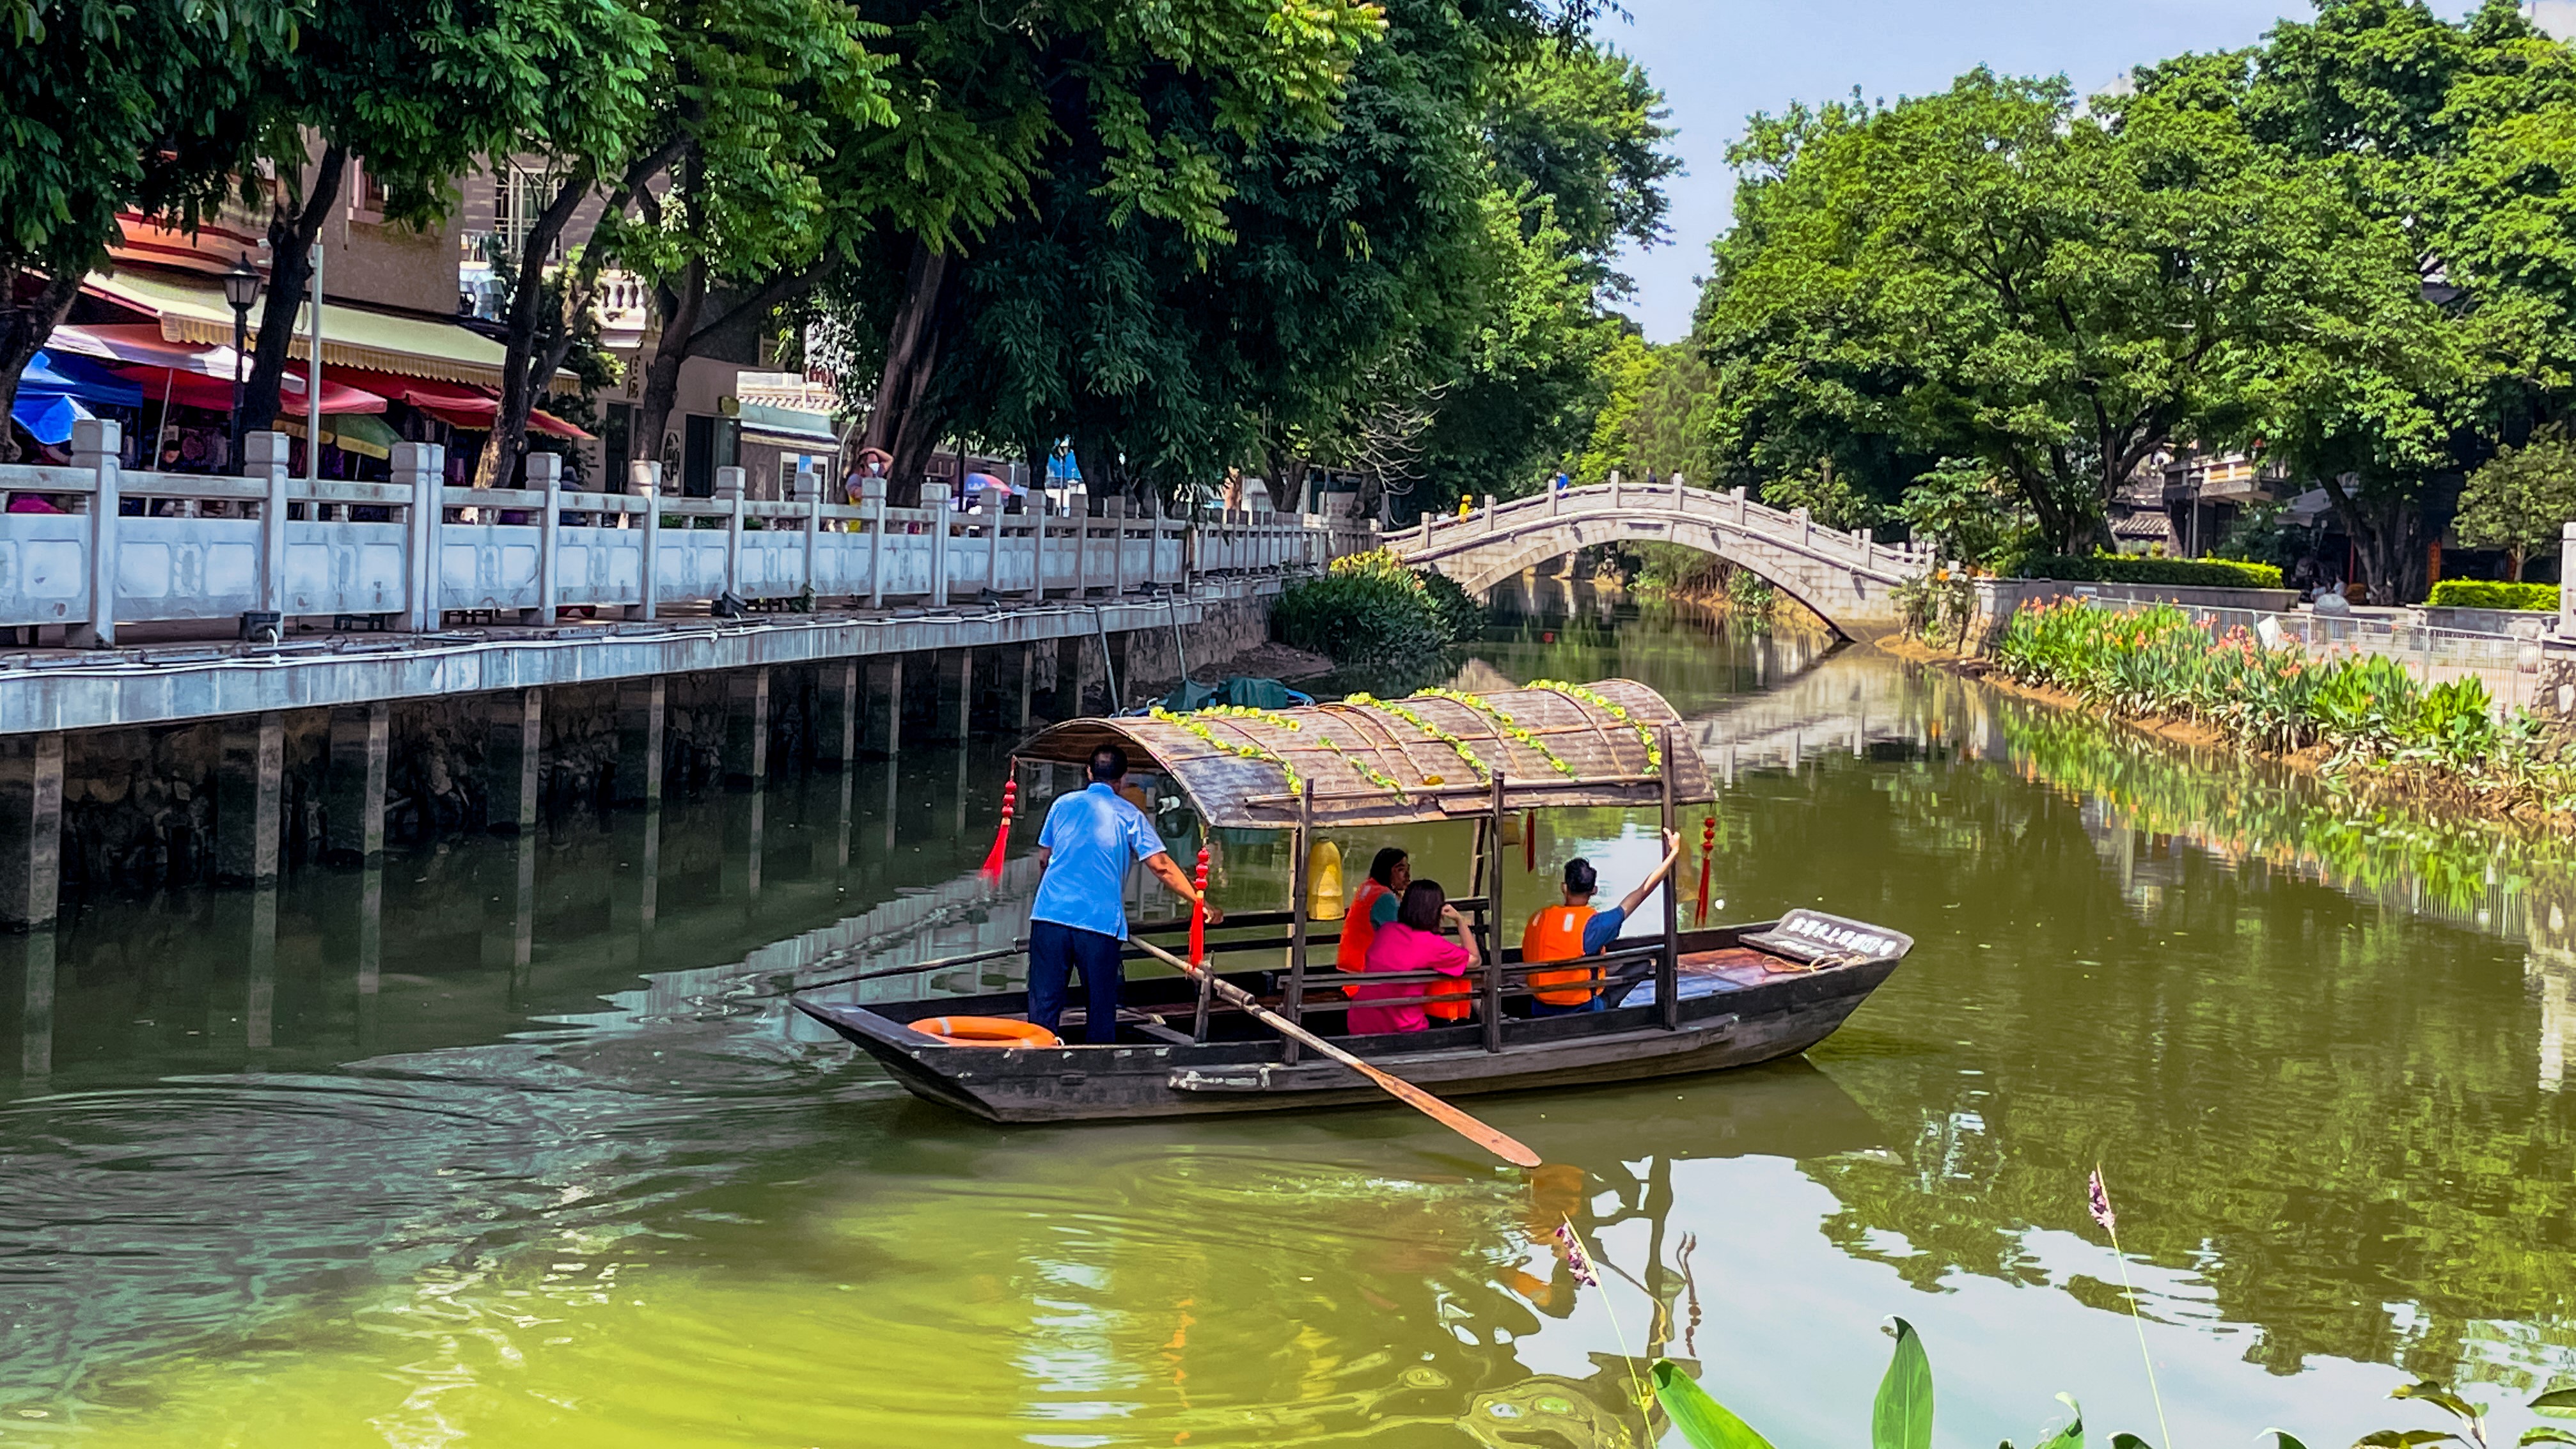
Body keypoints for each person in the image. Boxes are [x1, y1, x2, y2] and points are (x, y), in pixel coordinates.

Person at [1028, 744, 1223, 1044]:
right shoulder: (1129, 814)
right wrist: (1201, 902)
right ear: (1123, 778)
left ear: (1089, 772)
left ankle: (1035, 1058)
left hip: (1050, 915)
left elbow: (1045, 858)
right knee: (1101, 1008)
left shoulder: (1062, 804)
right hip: (1097, 922)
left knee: (1043, 1004)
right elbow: (1161, 866)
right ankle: (1099, 1061)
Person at [1521, 831, 1683, 1015]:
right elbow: (1642, 892)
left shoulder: (1538, 918)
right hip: (1581, 1009)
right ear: (1594, 890)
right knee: (1641, 965)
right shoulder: (1596, 925)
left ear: (1564, 888)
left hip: (1540, 1006)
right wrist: (1673, 854)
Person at [1351, 879, 1480, 1035]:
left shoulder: (1386, 931)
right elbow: (1475, 960)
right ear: (1436, 910)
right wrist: (1460, 921)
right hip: (1402, 1030)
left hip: (1359, 1022)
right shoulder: (1432, 945)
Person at [1334, 847, 1410, 975]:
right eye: (1401, 870)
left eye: (1408, 869)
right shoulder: (1386, 898)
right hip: (1366, 973)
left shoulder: (1367, 887)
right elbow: (1398, 938)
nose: (1407, 876)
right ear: (1387, 871)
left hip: (1350, 966)